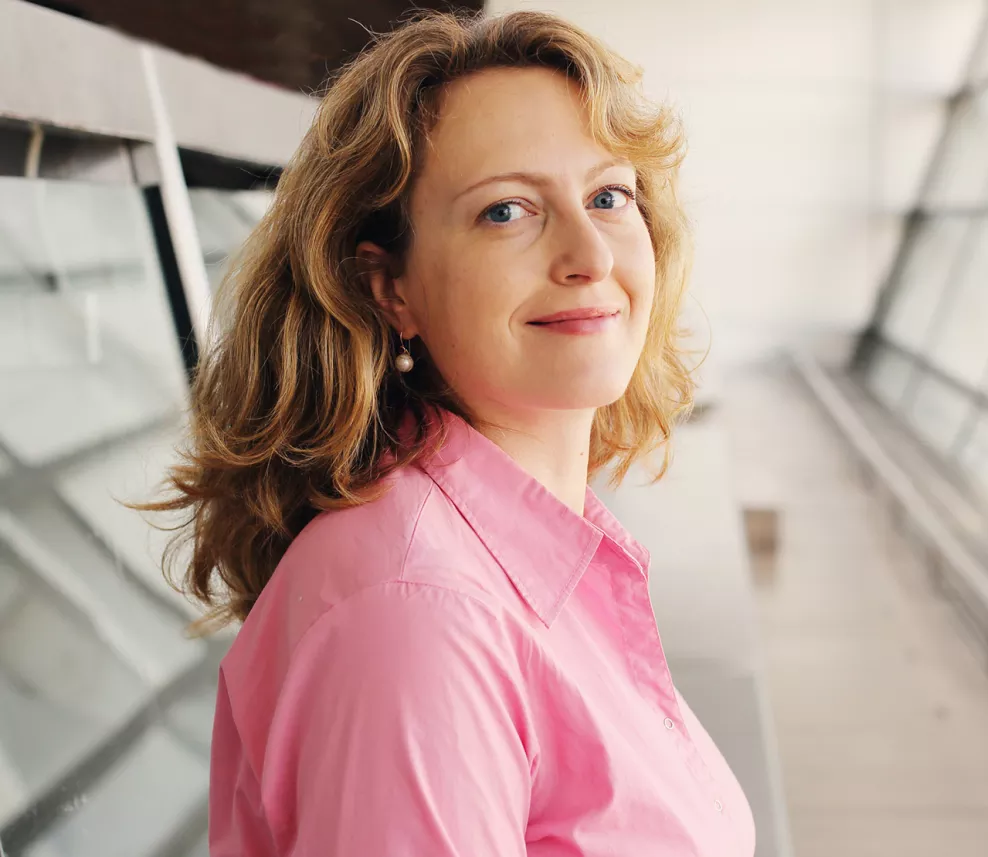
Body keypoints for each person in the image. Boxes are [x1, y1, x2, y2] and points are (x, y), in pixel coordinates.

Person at [146, 10, 755, 855]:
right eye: (507, 211)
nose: (589, 254)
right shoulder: (416, 616)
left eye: (609, 196)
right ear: (389, 286)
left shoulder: (530, 548)